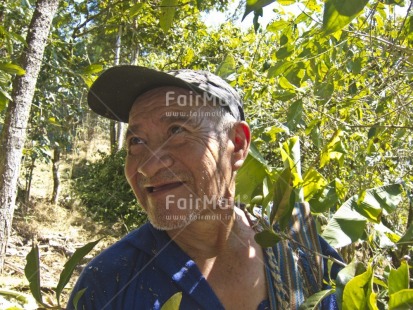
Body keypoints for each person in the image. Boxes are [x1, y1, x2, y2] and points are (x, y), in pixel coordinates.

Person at [68, 66, 343, 310]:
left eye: (176, 131)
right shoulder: (107, 284)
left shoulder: (306, 257)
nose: (147, 167)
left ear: (237, 144)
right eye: (137, 142)